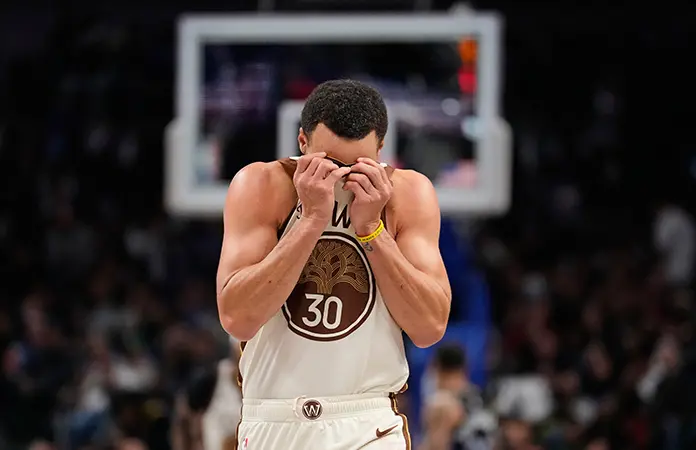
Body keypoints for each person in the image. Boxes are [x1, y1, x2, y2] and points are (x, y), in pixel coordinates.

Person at [216, 79, 452, 449]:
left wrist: (372, 231)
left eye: (357, 165)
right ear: (302, 142)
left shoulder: (408, 193)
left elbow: (429, 327)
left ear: (381, 149)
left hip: (367, 421)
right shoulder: (262, 184)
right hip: (274, 417)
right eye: (328, 163)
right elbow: (237, 318)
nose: (341, 177)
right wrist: (310, 220)